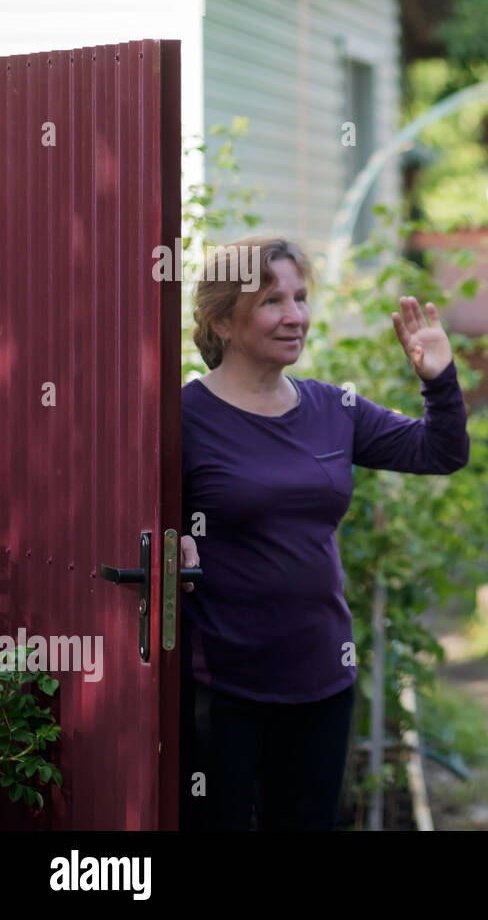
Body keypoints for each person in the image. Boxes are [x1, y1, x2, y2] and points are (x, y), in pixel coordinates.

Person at [177, 236, 470, 830]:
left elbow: (440, 451)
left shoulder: (334, 408)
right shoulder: (183, 417)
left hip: (322, 680)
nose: (295, 316)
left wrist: (437, 378)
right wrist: (172, 536)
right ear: (223, 321)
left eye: (301, 297)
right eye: (271, 301)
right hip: (223, 686)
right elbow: (135, 514)